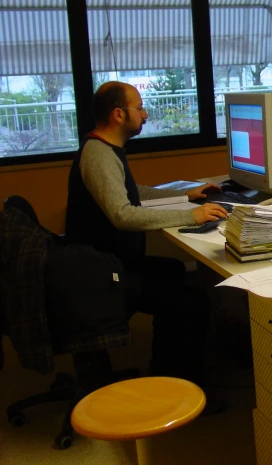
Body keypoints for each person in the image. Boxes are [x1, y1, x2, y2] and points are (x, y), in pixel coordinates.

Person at [65, 81, 229, 406]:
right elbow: (123, 215)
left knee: (172, 271)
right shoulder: (98, 155)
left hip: (105, 262)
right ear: (117, 114)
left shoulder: (105, 148)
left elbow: (133, 192)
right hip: (100, 274)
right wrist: (191, 216)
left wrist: (184, 196)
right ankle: (179, 394)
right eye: (139, 107)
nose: (145, 113)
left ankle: (167, 368)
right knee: (191, 301)